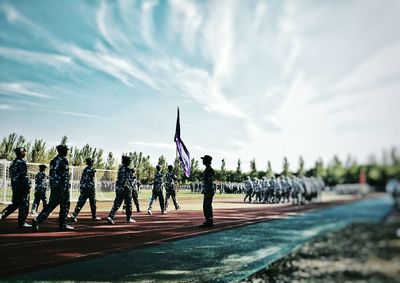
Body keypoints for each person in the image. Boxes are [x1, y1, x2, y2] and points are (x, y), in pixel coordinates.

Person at [33, 144, 74, 231]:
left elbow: (51, 174)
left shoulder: (53, 161)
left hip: (54, 186)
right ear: (62, 151)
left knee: (51, 205)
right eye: (66, 150)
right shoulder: (64, 161)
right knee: (65, 205)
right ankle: (63, 224)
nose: (67, 152)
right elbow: (65, 175)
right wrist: (66, 187)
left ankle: (38, 220)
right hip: (62, 187)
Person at [0, 147, 32, 228]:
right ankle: (22, 222)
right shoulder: (21, 162)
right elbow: (23, 175)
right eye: (24, 151)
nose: (25, 153)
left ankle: (1, 215)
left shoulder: (13, 162)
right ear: (21, 152)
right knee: (24, 204)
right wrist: (28, 185)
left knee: (15, 204)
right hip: (22, 186)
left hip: (15, 185)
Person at [70, 158, 101, 222]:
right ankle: (94, 216)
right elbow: (93, 173)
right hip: (90, 189)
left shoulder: (85, 170)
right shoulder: (92, 169)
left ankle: (74, 215)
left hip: (84, 188)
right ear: (91, 163)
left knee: (80, 203)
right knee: (93, 203)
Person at [106, 156, 136, 224]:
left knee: (117, 203)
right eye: (129, 161)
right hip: (126, 189)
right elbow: (131, 179)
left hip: (119, 188)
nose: (130, 162)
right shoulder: (128, 169)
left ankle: (110, 217)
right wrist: (133, 173)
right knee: (129, 204)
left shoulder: (120, 169)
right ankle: (128, 218)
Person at [199, 155, 215, 228]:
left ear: (206, 161)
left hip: (209, 190)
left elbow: (209, 181)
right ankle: (208, 220)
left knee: (207, 206)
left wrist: (206, 189)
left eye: (204, 160)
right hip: (208, 190)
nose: (202, 161)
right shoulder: (208, 169)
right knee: (207, 206)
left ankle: (209, 221)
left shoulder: (209, 170)